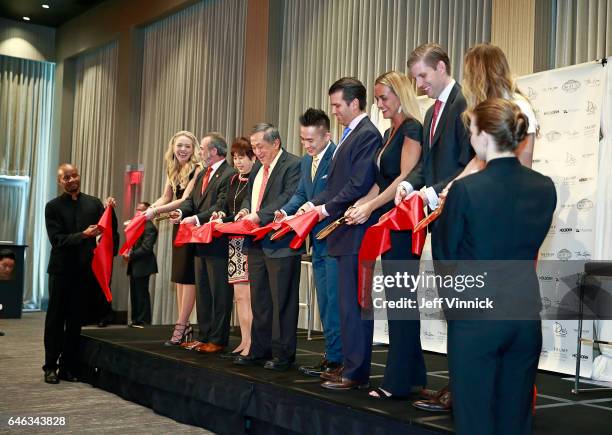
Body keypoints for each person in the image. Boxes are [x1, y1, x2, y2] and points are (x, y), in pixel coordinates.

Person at [437, 98, 556, 435]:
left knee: (475, 420)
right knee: (516, 420)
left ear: (485, 135)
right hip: (525, 319)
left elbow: (446, 259)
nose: (470, 138)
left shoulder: (465, 189)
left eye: (472, 130)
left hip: (476, 321)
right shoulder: (544, 188)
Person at [394, 44, 473, 411]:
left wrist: (435, 190)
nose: (420, 84)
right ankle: (456, 386)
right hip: (437, 219)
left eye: (423, 76)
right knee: (450, 306)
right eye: (416, 78)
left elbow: (472, 161)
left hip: (459, 215)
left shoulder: (464, 104)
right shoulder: (431, 112)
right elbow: (427, 162)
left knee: (463, 307)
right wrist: (411, 184)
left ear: (442, 68)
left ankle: (463, 389)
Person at [345, 71, 426, 399]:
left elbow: (406, 178)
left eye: (383, 97)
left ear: (401, 94)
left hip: (404, 225)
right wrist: (361, 204)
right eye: (377, 98)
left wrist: (372, 205)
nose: (378, 104)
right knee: (400, 301)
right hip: (388, 223)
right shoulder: (390, 130)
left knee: (401, 302)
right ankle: (415, 376)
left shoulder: (411, 128)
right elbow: (382, 180)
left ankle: (397, 382)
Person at [305, 77, 382, 390]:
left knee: (355, 307)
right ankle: (349, 366)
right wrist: (312, 204)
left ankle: (356, 372)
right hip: (343, 232)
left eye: (338, 105)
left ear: (355, 103)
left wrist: (325, 210)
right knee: (345, 306)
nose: (333, 111)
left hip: (355, 231)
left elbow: (359, 183)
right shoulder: (350, 134)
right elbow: (335, 186)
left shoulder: (367, 135)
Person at [275, 108, 342, 377]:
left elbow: (331, 193)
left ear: (327, 135)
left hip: (335, 238)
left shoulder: (338, 157)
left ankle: (339, 359)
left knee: (336, 301)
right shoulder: (306, 162)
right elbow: (300, 193)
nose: (307, 145)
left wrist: (309, 206)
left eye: (311, 140)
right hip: (316, 241)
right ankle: (331, 355)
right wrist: (286, 211)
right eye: (303, 140)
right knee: (324, 302)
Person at [233, 123, 302, 371]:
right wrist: (244, 209)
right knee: (260, 299)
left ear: (276, 143)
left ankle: (283, 354)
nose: (257, 152)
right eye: (253, 147)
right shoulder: (257, 170)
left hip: (281, 242)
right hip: (256, 241)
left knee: (282, 300)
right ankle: (259, 349)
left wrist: (259, 216)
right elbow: (248, 196)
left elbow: (288, 198)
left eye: (260, 146)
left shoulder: (293, 165)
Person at [44, 163, 118, 384]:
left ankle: (68, 368)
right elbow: (57, 240)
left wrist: (109, 210)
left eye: (74, 175)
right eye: (66, 178)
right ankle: (50, 367)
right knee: (56, 321)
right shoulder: (53, 207)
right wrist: (83, 235)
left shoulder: (93, 203)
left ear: (79, 176)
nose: (71, 180)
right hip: (61, 271)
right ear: (60, 182)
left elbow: (107, 230)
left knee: (76, 322)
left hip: (84, 272)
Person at [174, 133, 236, 353]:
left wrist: (196, 218)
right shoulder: (203, 173)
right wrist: (181, 212)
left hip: (218, 242)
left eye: (202, 148)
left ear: (214, 151)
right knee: (203, 291)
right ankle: (204, 336)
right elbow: (192, 201)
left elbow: (221, 206)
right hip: (200, 241)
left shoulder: (230, 174)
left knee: (219, 292)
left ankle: (218, 340)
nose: (199, 152)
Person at [145, 131, 202, 346]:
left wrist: (155, 213)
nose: (183, 150)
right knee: (179, 277)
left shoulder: (197, 169)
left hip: (191, 224)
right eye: (179, 145)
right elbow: (167, 196)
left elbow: (185, 200)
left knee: (188, 277)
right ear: (173, 147)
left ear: (194, 148)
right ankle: (184, 324)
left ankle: (181, 324)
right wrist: (151, 208)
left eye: (187, 146)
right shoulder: (173, 168)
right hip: (177, 226)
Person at [453, 42, 538, 181]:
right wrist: (452, 186)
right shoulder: (486, 107)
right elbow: (478, 160)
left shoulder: (519, 107)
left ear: (479, 76)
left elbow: (524, 164)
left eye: (469, 74)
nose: (466, 80)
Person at [212, 137, 256, 359]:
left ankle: (252, 342)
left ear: (253, 157)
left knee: (248, 295)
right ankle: (244, 339)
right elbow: (230, 209)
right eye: (236, 158)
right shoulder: (233, 181)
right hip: (234, 241)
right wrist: (221, 216)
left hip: (249, 241)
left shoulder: (256, 179)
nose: (239, 162)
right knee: (239, 296)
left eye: (243, 157)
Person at [123, 201, 158, 327]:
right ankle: (136, 320)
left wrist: (130, 255)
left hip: (144, 265)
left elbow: (146, 248)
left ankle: (143, 321)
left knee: (141, 293)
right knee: (135, 293)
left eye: (141, 210)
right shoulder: (137, 225)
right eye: (137, 210)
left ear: (147, 212)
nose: (138, 212)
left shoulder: (149, 227)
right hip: (135, 264)